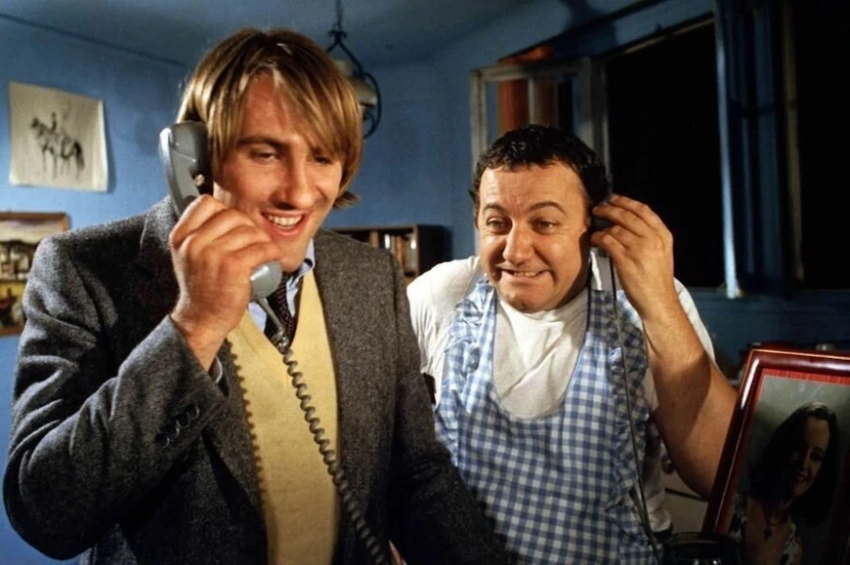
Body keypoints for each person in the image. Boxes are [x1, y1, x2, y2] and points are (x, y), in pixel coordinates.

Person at [3, 28, 507, 565]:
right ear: (196, 156)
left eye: (322, 158)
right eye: (266, 153)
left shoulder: (372, 275)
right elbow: (47, 514)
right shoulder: (84, 270)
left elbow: (417, 473)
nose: (299, 192)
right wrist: (193, 326)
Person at [407, 124, 738, 563]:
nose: (515, 250)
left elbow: (720, 476)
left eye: (544, 223)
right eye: (497, 223)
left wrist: (658, 303)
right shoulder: (444, 294)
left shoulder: (650, 299)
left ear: (594, 226)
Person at [728, 402, 841, 565]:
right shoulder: (733, 508)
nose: (804, 463)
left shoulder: (793, 548)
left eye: (816, 456)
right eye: (800, 448)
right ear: (784, 446)